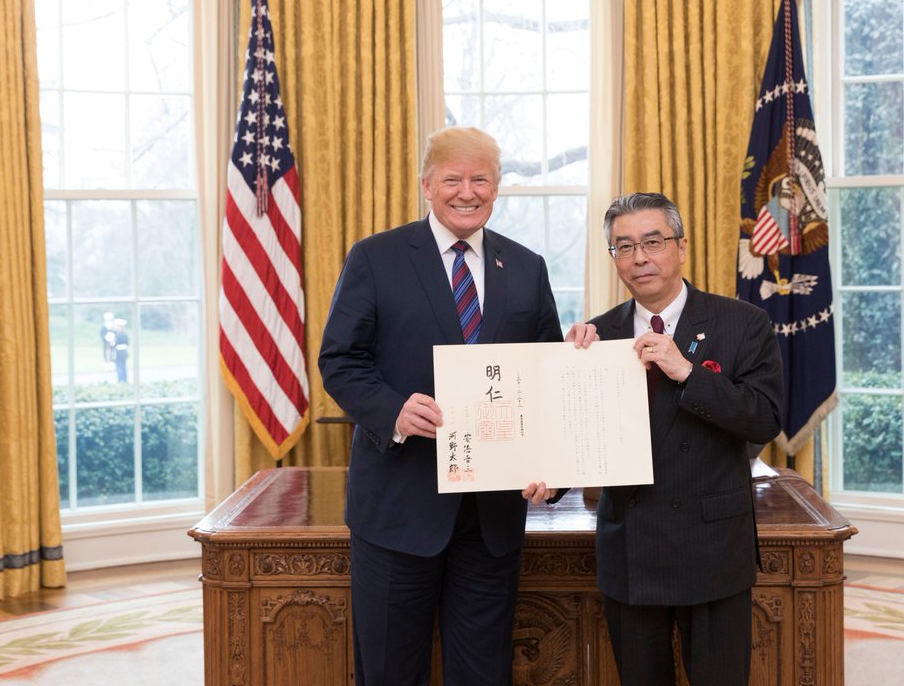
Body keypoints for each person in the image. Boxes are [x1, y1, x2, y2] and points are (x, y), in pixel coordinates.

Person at [318, 126, 563, 686]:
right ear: (427, 185)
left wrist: (557, 459)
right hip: (398, 511)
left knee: (483, 673)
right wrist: (391, 411)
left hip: (491, 518)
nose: (466, 191)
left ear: (497, 188)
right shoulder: (376, 258)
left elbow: (546, 373)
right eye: (452, 179)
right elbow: (340, 359)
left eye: (480, 179)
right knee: (388, 673)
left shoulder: (527, 267)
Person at [559, 192, 783, 686]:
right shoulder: (594, 337)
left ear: (681, 247)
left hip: (713, 548)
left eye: (653, 241)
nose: (640, 258)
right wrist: (546, 480)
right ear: (613, 258)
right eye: (624, 247)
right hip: (632, 551)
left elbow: (764, 419)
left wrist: (686, 372)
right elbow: (576, 435)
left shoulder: (743, 324)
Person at [111, 318, 129, 383]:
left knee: (119, 367)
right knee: (123, 366)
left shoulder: (116, 335)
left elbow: (113, 344)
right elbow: (127, 343)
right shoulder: (125, 334)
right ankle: (124, 380)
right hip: (124, 352)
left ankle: (121, 380)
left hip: (118, 352)